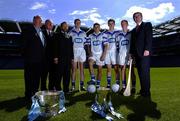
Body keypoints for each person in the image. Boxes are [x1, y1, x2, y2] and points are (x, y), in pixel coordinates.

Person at [22, 15, 46, 99]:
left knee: (37, 78)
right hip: (30, 60)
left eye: (41, 21)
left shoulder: (42, 32)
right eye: (39, 21)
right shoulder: (27, 30)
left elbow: (43, 46)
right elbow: (23, 45)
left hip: (40, 60)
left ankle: (35, 93)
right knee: (29, 78)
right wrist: (26, 57)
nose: (40, 22)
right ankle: (28, 95)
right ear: (34, 21)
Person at [130, 12, 152, 97]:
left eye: (138, 16)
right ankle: (143, 90)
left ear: (141, 17)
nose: (136, 18)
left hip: (144, 53)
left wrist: (147, 49)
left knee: (145, 73)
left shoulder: (147, 25)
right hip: (136, 55)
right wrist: (131, 54)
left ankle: (146, 92)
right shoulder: (133, 30)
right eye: (135, 17)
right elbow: (132, 44)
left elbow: (149, 37)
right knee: (140, 73)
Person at [53, 22, 73, 93]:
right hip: (60, 58)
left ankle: (66, 89)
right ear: (61, 27)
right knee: (59, 74)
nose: (65, 27)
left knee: (67, 75)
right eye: (64, 26)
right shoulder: (57, 35)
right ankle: (58, 89)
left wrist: (72, 58)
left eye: (66, 26)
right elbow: (55, 47)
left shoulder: (69, 36)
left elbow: (71, 48)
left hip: (67, 59)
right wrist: (55, 57)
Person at [87, 23, 108, 89]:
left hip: (100, 54)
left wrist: (103, 55)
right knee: (90, 63)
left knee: (100, 70)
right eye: (95, 27)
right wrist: (89, 52)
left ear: (99, 28)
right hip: (93, 53)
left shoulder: (103, 35)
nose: (96, 28)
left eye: (97, 27)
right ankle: (93, 79)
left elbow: (106, 45)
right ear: (93, 28)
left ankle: (98, 85)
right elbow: (88, 45)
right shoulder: (90, 35)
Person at [69, 19, 86, 91]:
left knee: (82, 69)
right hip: (74, 51)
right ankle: (73, 86)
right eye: (77, 23)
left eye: (79, 23)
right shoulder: (71, 32)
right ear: (74, 23)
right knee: (74, 69)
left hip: (81, 51)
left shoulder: (83, 33)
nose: (78, 24)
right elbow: (69, 42)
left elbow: (85, 43)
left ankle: (82, 85)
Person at [104, 19, 120, 89]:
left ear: (114, 24)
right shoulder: (105, 33)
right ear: (108, 24)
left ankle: (117, 84)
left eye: (112, 23)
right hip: (107, 53)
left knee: (116, 69)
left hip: (115, 52)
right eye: (109, 23)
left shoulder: (118, 32)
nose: (111, 25)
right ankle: (108, 84)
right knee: (108, 69)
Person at [116, 20, 131, 93]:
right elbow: (117, 46)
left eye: (124, 23)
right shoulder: (119, 35)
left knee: (132, 71)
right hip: (122, 54)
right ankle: (124, 86)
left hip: (130, 54)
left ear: (127, 24)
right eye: (122, 24)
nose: (123, 25)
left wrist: (131, 54)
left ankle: (133, 87)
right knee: (123, 69)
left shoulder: (131, 33)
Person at [42, 19, 57, 90]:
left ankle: (51, 88)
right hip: (44, 58)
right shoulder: (41, 33)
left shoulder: (55, 34)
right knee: (43, 75)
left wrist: (56, 57)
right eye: (49, 24)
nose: (51, 25)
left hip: (53, 59)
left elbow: (56, 47)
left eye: (51, 24)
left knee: (53, 75)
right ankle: (43, 89)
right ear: (45, 25)